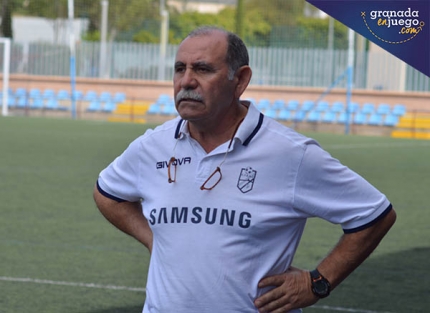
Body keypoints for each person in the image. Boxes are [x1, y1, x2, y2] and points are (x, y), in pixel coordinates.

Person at [93, 26, 396, 313]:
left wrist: (318, 282)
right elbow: (107, 193)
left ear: (240, 80)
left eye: (202, 69)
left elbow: (374, 214)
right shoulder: (152, 146)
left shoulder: (289, 153)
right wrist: (154, 239)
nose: (186, 81)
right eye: (179, 69)